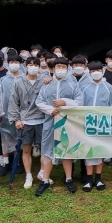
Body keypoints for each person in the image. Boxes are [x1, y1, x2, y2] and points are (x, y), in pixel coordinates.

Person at [35, 57, 83, 195]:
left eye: (63, 67)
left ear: (67, 69)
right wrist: (50, 110)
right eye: (58, 66)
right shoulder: (46, 84)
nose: (61, 69)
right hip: (50, 121)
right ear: (53, 68)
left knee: (66, 149)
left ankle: (68, 179)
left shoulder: (72, 84)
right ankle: (45, 180)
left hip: (67, 121)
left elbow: (80, 101)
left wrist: (65, 102)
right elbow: (39, 102)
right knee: (48, 150)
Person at [80, 61, 112, 191]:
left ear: (102, 71)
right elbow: (79, 105)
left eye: (98, 70)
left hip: (103, 123)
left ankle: (98, 177)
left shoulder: (108, 87)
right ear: (89, 73)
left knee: (101, 149)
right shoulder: (84, 87)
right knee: (89, 150)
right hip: (88, 122)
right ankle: (89, 178)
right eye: (93, 71)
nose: (96, 73)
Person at [7, 57, 44, 189]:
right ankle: (28, 175)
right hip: (25, 121)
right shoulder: (18, 82)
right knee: (26, 149)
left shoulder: (44, 81)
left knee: (44, 149)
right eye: (30, 64)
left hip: (41, 119)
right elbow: (13, 102)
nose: (33, 67)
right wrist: (16, 119)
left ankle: (43, 172)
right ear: (26, 66)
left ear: (39, 67)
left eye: (36, 65)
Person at [0, 54, 23, 176]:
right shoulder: (4, 80)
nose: (14, 64)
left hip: (21, 114)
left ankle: (17, 162)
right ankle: (6, 162)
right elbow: (1, 97)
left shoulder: (24, 79)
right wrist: (0, 112)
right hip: (6, 114)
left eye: (16, 62)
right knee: (5, 139)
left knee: (18, 138)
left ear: (20, 64)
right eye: (11, 62)